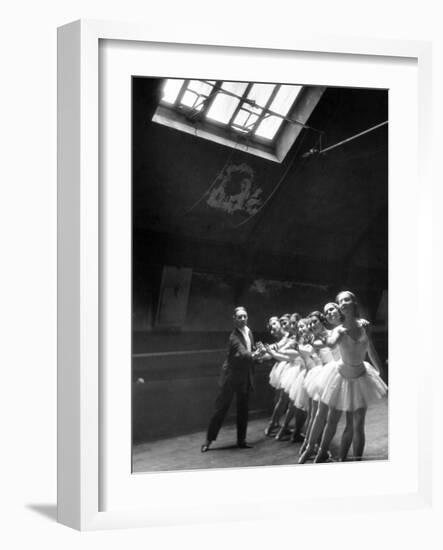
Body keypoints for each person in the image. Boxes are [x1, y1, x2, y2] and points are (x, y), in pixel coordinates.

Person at [299, 291, 387, 463]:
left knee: (358, 424)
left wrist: (380, 371)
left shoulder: (364, 326)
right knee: (328, 416)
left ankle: (357, 460)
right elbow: (330, 343)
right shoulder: (339, 330)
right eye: (340, 301)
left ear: (353, 302)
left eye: (346, 299)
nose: (343, 303)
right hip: (341, 376)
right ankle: (318, 452)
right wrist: (311, 338)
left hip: (361, 375)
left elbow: (371, 350)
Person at [201, 307, 261, 452]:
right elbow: (243, 352)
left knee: (243, 410)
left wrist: (258, 357)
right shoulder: (233, 336)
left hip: (245, 377)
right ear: (234, 319)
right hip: (231, 378)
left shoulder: (249, 332)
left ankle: (241, 441)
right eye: (239, 317)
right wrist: (255, 354)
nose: (243, 319)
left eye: (245, 316)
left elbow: (250, 352)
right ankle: (208, 441)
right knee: (221, 409)